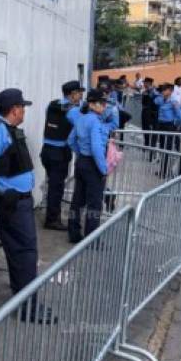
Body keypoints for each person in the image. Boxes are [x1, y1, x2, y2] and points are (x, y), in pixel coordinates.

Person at [0, 88, 55, 324]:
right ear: (14, 109)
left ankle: (22, 301)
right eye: (23, 107)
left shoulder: (7, 130)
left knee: (21, 255)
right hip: (11, 204)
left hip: (19, 202)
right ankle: (29, 308)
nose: (24, 112)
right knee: (25, 254)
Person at [67, 89, 112, 242]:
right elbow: (96, 148)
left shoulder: (81, 119)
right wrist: (103, 168)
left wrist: (81, 154)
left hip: (82, 163)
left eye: (105, 103)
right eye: (101, 103)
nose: (104, 106)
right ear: (92, 104)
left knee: (77, 200)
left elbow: (71, 140)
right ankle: (91, 239)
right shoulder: (94, 121)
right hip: (92, 165)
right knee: (94, 204)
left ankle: (73, 233)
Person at [41, 80, 84, 230]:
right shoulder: (73, 110)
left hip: (46, 151)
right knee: (56, 188)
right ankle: (52, 220)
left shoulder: (52, 104)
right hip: (59, 153)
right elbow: (81, 127)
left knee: (52, 185)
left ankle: (52, 216)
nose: (81, 96)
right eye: (79, 93)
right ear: (72, 94)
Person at [155, 83, 181, 175]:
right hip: (161, 126)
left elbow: (180, 116)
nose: (163, 91)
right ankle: (163, 170)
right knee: (163, 148)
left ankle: (166, 171)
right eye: (162, 89)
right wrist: (160, 95)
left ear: (171, 91)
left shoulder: (173, 102)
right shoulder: (162, 100)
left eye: (165, 90)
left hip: (169, 126)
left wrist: (175, 125)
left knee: (167, 149)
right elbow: (155, 101)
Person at [140, 77, 159, 149]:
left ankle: (151, 147)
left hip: (151, 114)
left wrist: (151, 91)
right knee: (145, 129)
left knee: (151, 131)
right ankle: (146, 144)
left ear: (148, 83)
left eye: (145, 83)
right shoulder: (145, 91)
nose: (144, 84)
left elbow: (155, 101)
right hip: (145, 112)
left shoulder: (154, 91)